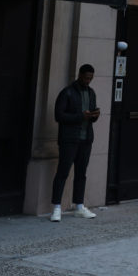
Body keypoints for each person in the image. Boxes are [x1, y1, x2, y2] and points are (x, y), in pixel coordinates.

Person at [50, 64, 100, 220]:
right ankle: (56, 208)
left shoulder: (91, 93)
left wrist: (94, 116)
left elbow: (90, 116)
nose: (88, 81)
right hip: (69, 139)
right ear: (80, 75)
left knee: (81, 173)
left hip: (86, 139)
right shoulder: (67, 92)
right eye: (86, 78)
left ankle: (79, 206)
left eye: (91, 78)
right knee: (63, 172)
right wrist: (80, 116)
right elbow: (59, 116)